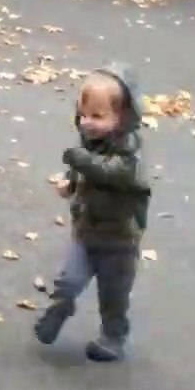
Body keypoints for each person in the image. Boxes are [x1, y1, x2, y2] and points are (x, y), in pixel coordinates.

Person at [34, 63, 151, 362]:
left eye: (97, 116)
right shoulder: (89, 145)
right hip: (86, 233)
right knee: (68, 280)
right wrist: (69, 183)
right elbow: (83, 170)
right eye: (83, 115)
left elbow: (110, 173)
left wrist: (80, 161)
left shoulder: (130, 155)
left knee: (113, 297)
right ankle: (60, 308)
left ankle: (113, 338)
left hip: (120, 241)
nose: (87, 122)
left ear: (122, 117)